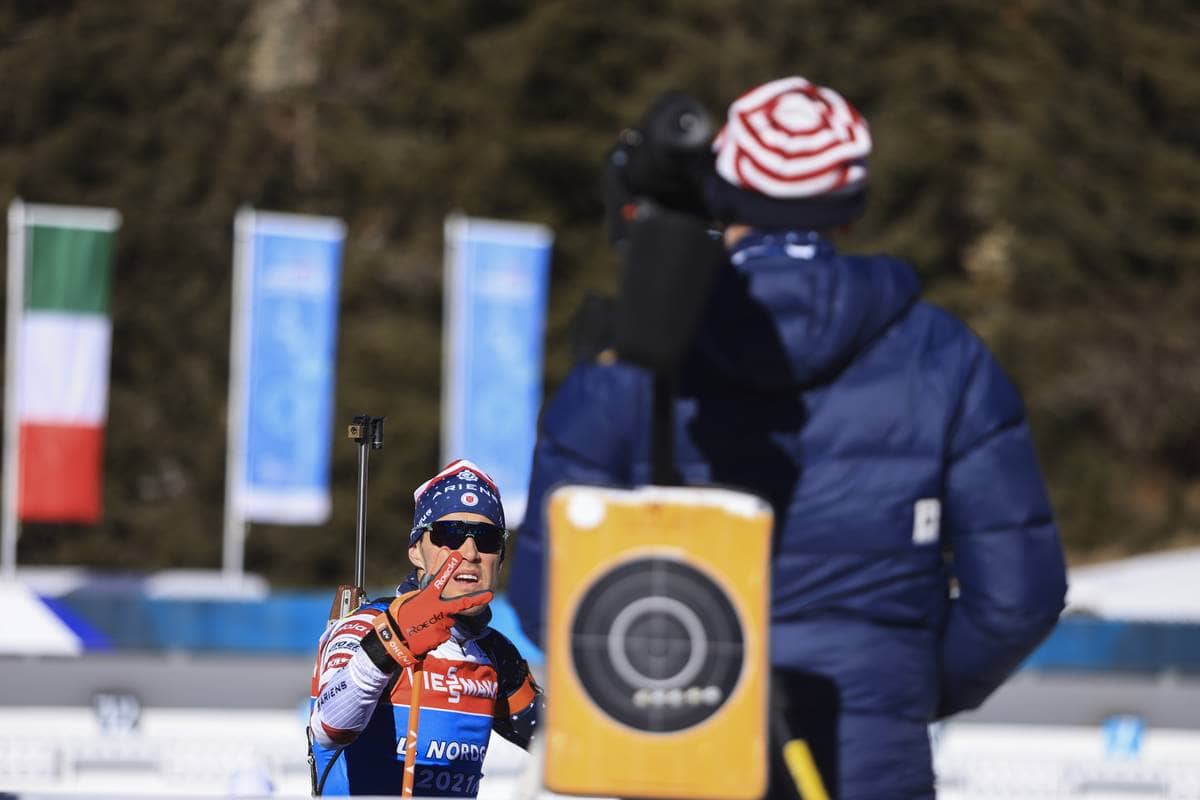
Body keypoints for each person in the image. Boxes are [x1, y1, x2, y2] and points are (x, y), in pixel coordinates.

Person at [508, 76, 1068, 799]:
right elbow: (1018, 595)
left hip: (677, 753)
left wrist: (654, 676)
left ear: (723, 190)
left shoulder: (642, 351)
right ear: (852, 204)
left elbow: (549, 587)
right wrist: (900, 691)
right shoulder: (945, 356)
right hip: (870, 760)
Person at [308, 459, 541, 797]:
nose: (470, 552)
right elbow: (327, 726)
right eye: (451, 534)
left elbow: (566, 747)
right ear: (416, 551)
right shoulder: (364, 625)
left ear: (500, 558)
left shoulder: (494, 653)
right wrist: (389, 645)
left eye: (487, 539)